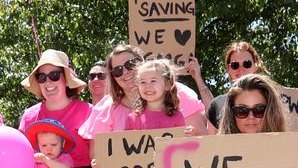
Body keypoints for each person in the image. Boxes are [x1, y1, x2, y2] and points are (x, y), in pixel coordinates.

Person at [77, 44, 209, 139]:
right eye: (118, 70)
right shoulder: (106, 109)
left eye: (130, 64)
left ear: (141, 63)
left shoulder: (178, 94)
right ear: (113, 77)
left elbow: (202, 138)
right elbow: (98, 154)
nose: (125, 72)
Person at [206, 41, 270, 131]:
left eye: (247, 64)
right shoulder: (216, 105)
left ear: (256, 65)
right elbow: (212, 141)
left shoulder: (271, 99)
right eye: (235, 65)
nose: (241, 69)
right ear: (228, 69)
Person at [126, 59, 189, 132]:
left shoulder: (177, 117)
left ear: (167, 85)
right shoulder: (132, 118)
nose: (147, 86)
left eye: (153, 81)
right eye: (143, 82)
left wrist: (188, 136)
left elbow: (182, 142)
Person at [218, 73, 289, 136]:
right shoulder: (217, 150)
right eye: (242, 110)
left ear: (270, 111)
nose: (251, 116)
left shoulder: (288, 148)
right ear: (231, 113)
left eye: (259, 110)